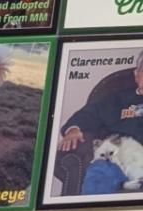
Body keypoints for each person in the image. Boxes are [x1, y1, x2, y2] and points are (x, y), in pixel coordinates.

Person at [58, 47, 143, 193]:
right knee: (98, 174)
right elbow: (89, 113)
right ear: (136, 75)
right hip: (116, 159)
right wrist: (73, 129)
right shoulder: (116, 99)